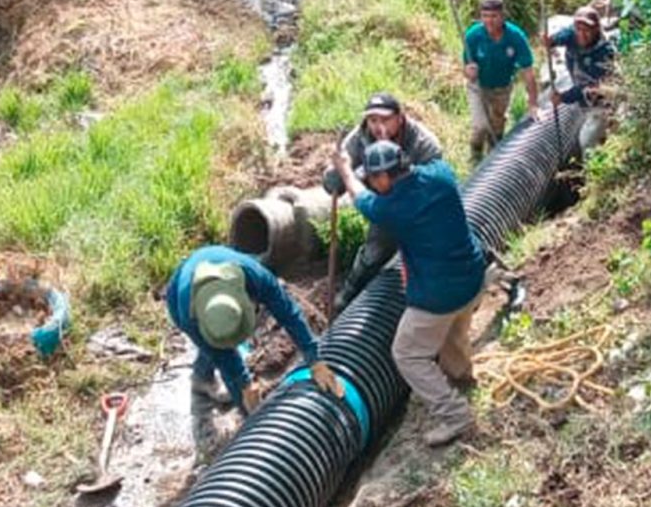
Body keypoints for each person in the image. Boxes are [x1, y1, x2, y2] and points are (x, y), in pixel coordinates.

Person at [333, 138, 487, 447]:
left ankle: (456, 415)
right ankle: (460, 375)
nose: (374, 185)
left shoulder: (392, 208)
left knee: (407, 353)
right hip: (473, 276)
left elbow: (361, 198)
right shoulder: (441, 174)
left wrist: (345, 170)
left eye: (374, 179)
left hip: (438, 295)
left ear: (385, 176)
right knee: (454, 329)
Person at [164, 245, 339, 457]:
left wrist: (314, 359)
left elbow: (289, 314)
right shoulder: (188, 314)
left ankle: (209, 380)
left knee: (220, 341)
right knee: (215, 350)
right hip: (180, 289)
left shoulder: (255, 276)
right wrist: (245, 392)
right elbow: (226, 360)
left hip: (221, 263)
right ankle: (202, 382)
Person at [322, 91, 443, 312]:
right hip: (382, 204)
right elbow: (332, 186)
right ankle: (349, 296)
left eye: (386, 119)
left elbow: (431, 186)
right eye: (373, 120)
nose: (379, 127)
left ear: (400, 117)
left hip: (418, 207)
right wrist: (337, 169)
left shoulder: (423, 144)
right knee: (375, 253)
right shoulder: (360, 137)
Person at [462, 0, 539, 160]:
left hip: (502, 87)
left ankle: (493, 158)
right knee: (480, 126)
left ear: (503, 16)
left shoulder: (515, 36)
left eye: (494, 16)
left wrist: (533, 103)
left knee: (497, 126)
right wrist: (469, 72)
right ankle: (475, 157)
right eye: (485, 16)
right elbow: (466, 68)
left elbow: (528, 72)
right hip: (479, 87)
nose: (489, 21)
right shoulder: (473, 36)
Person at [544, 5, 618, 150]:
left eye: (587, 31)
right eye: (579, 29)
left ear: (596, 29)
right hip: (584, 99)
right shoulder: (573, 34)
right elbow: (565, 35)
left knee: (587, 141)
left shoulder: (604, 53)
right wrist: (552, 41)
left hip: (601, 100)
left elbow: (588, 86)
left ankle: (595, 167)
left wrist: (563, 97)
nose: (582, 34)